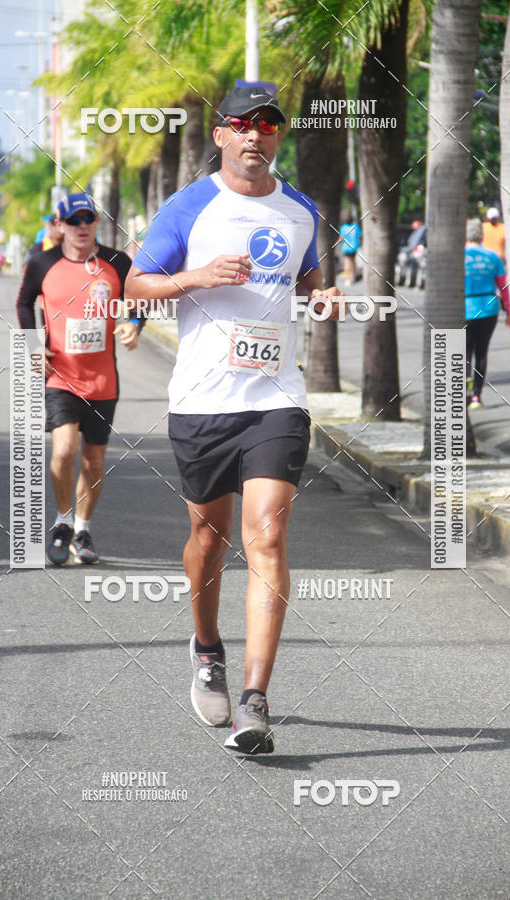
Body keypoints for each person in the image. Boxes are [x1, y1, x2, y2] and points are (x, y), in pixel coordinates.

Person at [125, 86, 341, 755]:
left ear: (279, 136)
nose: (256, 136)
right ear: (220, 134)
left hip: (275, 398)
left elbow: (309, 279)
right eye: (243, 125)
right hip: (201, 402)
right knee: (208, 539)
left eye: (269, 125)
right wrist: (198, 276)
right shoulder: (191, 205)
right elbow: (136, 285)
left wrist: (324, 295)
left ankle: (255, 700)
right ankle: (207, 645)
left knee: (267, 536)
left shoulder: (300, 209)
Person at [16, 192, 145, 566]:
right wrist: (34, 346)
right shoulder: (42, 263)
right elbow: (24, 302)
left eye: (88, 219)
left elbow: (139, 298)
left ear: (96, 223)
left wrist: (134, 324)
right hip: (60, 376)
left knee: (93, 460)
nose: (82, 226)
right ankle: (62, 522)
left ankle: (83, 529)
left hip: (103, 378)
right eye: (74, 221)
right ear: (60, 226)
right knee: (63, 451)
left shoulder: (117, 262)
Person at [465, 218, 510, 409]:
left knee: (464, 352)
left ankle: (464, 392)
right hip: (489, 308)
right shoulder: (493, 257)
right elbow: (503, 286)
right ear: (482, 235)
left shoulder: (458, 256)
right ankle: (476, 395)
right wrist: (509, 312)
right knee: (481, 352)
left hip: (465, 307)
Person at [339, 214, 362, 285]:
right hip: (354, 247)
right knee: (352, 262)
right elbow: (360, 236)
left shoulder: (343, 227)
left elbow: (341, 238)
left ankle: (347, 279)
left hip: (345, 247)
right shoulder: (356, 226)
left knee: (346, 263)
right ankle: (352, 278)